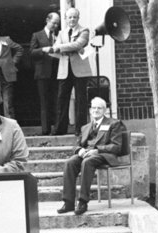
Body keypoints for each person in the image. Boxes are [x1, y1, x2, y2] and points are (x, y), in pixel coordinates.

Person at [57, 97, 126, 215]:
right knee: (70, 162)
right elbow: (76, 145)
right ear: (90, 110)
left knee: (87, 162)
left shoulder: (114, 124)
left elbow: (116, 147)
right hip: (87, 154)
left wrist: (97, 150)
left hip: (103, 154)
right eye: (93, 108)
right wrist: (79, 150)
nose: (96, 110)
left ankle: (83, 201)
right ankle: (68, 202)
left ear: (104, 110)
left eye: (99, 108)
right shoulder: (85, 127)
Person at [52, 7, 92, 136]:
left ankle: (80, 130)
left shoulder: (84, 30)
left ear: (78, 18)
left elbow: (78, 45)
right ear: (66, 18)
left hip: (80, 71)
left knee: (81, 100)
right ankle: (60, 129)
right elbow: (55, 49)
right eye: (70, 17)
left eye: (75, 17)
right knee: (61, 99)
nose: (72, 19)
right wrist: (64, 48)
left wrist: (61, 47)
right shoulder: (61, 33)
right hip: (64, 70)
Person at [0, 21, 24, 119]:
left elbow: (19, 49)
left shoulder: (6, 39)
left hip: (6, 74)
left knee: (8, 103)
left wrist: (13, 62)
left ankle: (11, 129)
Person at [30, 12, 60, 135]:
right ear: (47, 20)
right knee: (44, 101)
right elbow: (32, 52)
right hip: (42, 73)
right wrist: (43, 50)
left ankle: (58, 129)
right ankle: (45, 129)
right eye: (53, 23)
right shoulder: (37, 35)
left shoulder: (60, 35)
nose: (55, 26)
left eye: (57, 23)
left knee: (57, 101)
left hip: (58, 72)